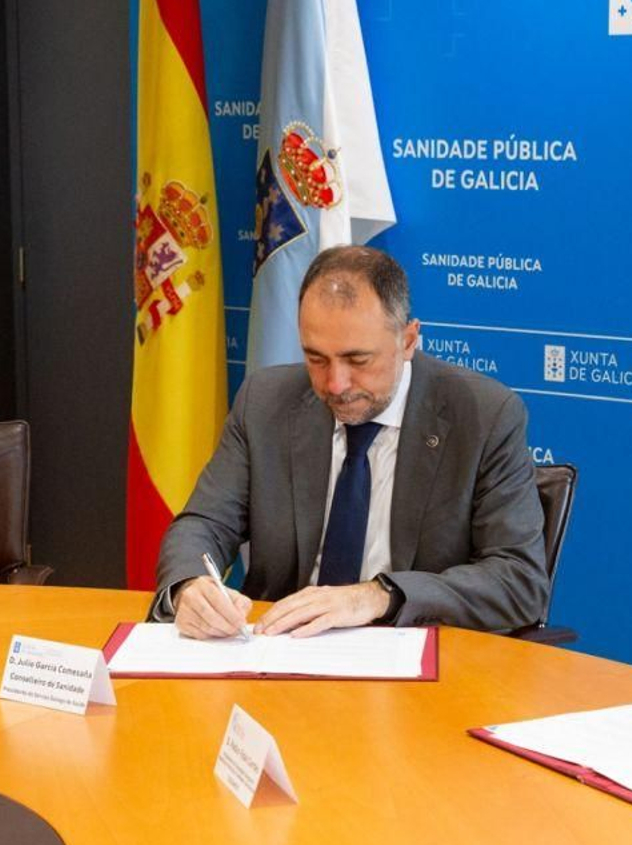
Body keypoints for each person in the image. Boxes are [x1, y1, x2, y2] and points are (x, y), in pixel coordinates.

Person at [151, 245, 548, 638]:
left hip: (416, 665)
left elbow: (518, 580)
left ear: (408, 341)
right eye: (316, 359)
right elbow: (203, 524)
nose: (335, 385)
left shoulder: (484, 415)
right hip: (279, 656)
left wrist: (378, 596)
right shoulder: (265, 403)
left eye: (358, 360)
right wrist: (189, 587)